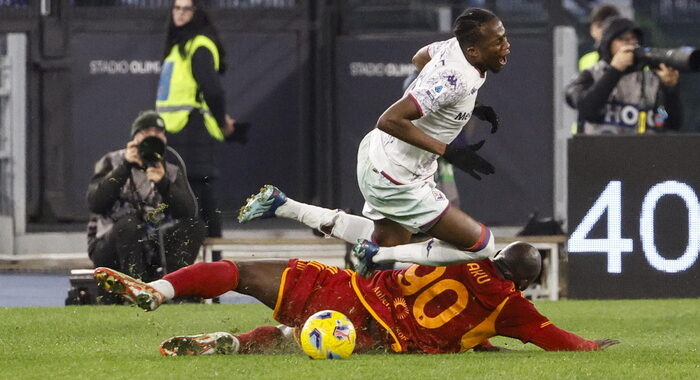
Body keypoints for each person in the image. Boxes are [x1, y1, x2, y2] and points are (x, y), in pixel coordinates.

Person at [241, 8, 508, 276]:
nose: (506, 46)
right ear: (473, 51)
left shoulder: (453, 47)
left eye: (504, 37)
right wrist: (448, 150)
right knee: (481, 245)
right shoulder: (458, 78)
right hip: (398, 177)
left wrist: (449, 107)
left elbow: (418, 58)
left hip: (379, 155)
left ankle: (284, 206)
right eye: (498, 42)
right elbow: (389, 120)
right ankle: (376, 255)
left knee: (389, 239)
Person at [93, 241, 619, 355]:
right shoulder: (511, 306)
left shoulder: (461, 253)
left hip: (353, 291)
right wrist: (594, 347)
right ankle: (233, 344)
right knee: (296, 341)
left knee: (240, 271)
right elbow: (557, 339)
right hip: (379, 336)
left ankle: (158, 289)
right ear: (524, 283)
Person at [156, 0, 249, 262]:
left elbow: (212, 90)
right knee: (203, 199)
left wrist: (220, 121)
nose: (180, 13)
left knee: (193, 203)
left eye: (186, 8)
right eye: (176, 8)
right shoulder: (178, 47)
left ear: (198, 13)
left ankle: (194, 269)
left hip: (192, 133)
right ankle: (215, 268)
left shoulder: (199, 45)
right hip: (178, 133)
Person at [87, 110, 206, 283]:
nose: (152, 136)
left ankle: (175, 288)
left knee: (194, 226)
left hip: (153, 244)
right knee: (128, 224)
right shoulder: (111, 162)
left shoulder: (170, 170)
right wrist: (125, 167)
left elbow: (189, 212)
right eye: (146, 132)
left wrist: (164, 183)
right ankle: (136, 291)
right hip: (109, 245)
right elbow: (95, 202)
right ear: (134, 138)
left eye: (158, 133)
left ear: (164, 139)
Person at [565, 17, 683, 135]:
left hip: (643, 150)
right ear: (608, 43)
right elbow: (587, 110)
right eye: (622, 39)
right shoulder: (590, 75)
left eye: (633, 39)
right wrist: (615, 70)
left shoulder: (651, 79)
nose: (630, 44)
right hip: (600, 150)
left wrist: (670, 91)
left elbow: (670, 121)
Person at [578, 4, 620, 71]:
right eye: (600, 26)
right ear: (591, 30)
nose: (604, 30)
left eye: (609, 26)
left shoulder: (632, 58)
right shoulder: (585, 60)